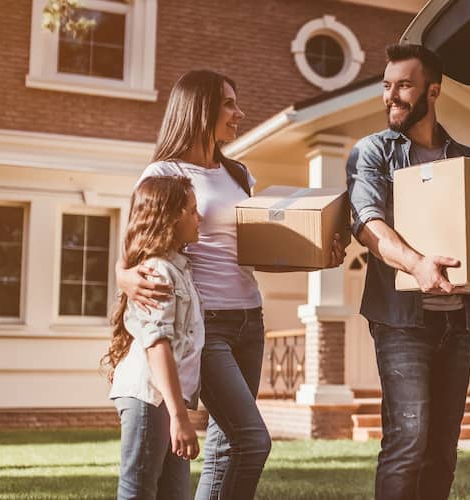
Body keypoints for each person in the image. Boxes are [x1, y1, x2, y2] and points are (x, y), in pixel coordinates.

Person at [117, 70, 345, 500]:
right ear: (199, 108)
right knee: (251, 440)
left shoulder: (238, 174)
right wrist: (122, 275)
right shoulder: (163, 173)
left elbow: (252, 253)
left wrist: (315, 261)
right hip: (206, 326)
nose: (239, 113)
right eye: (228, 104)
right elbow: (137, 243)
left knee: (227, 446)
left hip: (249, 323)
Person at [346, 44, 470, 500]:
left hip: (457, 320)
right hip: (402, 321)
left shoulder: (467, 160)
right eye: (386, 86)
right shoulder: (373, 153)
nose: (391, 96)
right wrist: (417, 263)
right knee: (408, 440)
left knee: (443, 448)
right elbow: (367, 223)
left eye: (403, 85)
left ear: (433, 90)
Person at [104, 175, 204, 500]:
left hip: (165, 399)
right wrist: (180, 417)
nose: (199, 217)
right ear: (171, 217)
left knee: (174, 494)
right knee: (138, 492)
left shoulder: (177, 268)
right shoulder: (158, 273)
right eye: (192, 210)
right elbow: (156, 344)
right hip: (150, 398)